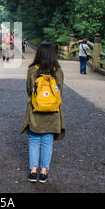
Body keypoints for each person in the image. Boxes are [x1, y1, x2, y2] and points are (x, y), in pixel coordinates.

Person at [21, 41, 65, 184]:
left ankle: (33, 171)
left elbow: (29, 90)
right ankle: (44, 172)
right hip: (52, 112)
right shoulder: (57, 71)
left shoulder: (33, 69)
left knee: (34, 140)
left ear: (38, 54)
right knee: (47, 141)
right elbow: (60, 92)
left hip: (36, 110)